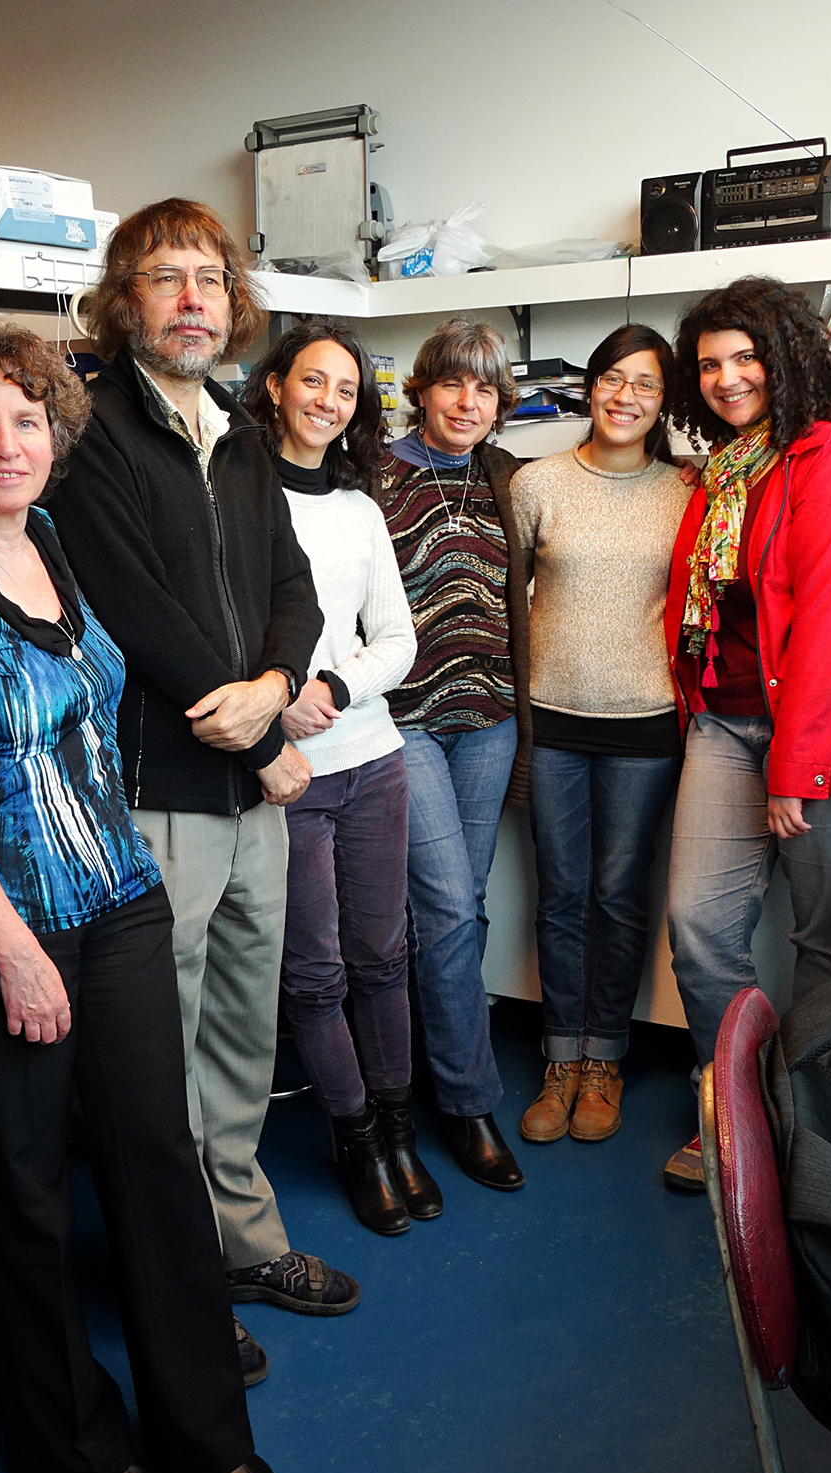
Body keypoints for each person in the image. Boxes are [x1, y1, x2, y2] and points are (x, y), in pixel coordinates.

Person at [0, 320, 282, 1473]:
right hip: (0, 928)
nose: (8, 445)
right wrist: (12, 951)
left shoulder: (50, 537)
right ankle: (72, 1445)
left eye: (27, 419)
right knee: (25, 1187)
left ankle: (207, 1435)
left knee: (156, 1158)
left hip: (120, 894)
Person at [48, 200, 355, 1379]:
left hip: (246, 796)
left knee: (237, 1030)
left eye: (209, 279)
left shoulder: (236, 429)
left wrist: (275, 687)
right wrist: (260, 742)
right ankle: (173, 1281)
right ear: (124, 299)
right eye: (165, 277)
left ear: (234, 303)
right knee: (155, 1056)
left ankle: (240, 1242)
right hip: (158, 791)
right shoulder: (91, 430)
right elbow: (135, 610)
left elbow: (292, 586)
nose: (191, 298)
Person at [658, 276, 831, 1189]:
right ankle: (736, 1111)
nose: (727, 378)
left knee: (828, 941)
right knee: (699, 927)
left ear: (787, 361)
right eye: (709, 365)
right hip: (725, 725)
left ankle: (811, 1124)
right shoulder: (724, 472)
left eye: (746, 358)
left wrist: (795, 767)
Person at [240, 319, 437, 1237]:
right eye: (313, 381)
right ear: (277, 385)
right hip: (286, 771)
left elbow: (398, 638)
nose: (328, 401)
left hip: (372, 761)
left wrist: (333, 686)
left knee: (384, 957)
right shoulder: (233, 494)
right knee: (314, 973)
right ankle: (355, 1137)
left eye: (347, 390)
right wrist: (279, 704)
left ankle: (398, 1128)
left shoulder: (359, 507)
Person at [510, 325, 691, 1148]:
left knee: (619, 895)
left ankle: (604, 1058)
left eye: (646, 383)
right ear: (590, 388)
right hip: (551, 719)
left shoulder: (685, 491)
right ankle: (560, 1057)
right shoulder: (537, 482)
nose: (626, 396)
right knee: (560, 893)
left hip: (645, 723)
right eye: (613, 378)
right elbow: (509, 602)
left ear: (665, 400)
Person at [376, 316, 532, 1192]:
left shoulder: (507, 475)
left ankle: (430, 1068)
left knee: (461, 904)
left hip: (490, 717)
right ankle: (469, 1102)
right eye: (451, 383)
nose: (467, 402)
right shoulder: (373, 475)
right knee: (443, 904)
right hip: (405, 719)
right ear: (423, 390)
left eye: (484, 388)